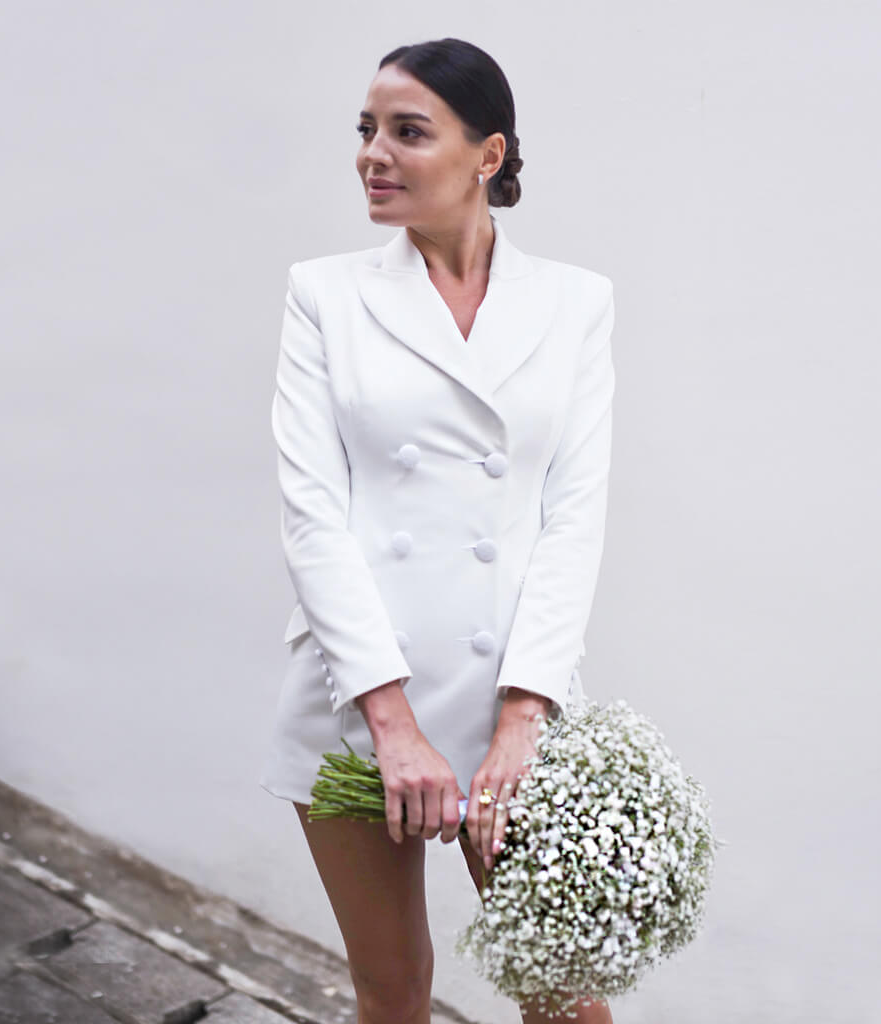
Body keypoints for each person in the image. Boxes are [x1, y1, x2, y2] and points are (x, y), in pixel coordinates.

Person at [259, 37, 617, 1024]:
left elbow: (571, 519)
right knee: (391, 990)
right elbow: (313, 515)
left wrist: (522, 720)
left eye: (407, 131)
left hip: (517, 695)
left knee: (566, 995)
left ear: (487, 155)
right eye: (366, 130)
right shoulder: (324, 294)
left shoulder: (575, 304)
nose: (374, 152)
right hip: (359, 692)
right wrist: (390, 722)